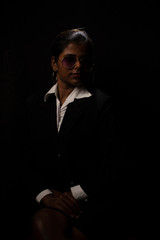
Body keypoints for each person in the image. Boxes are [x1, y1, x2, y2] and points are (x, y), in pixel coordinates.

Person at [12, 28, 127, 240]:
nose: (78, 67)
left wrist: (73, 194)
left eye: (85, 61)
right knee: (41, 223)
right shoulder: (34, 104)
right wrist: (45, 196)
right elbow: (22, 159)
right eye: (69, 60)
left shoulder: (102, 104)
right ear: (54, 63)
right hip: (46, 200)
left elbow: (116, 163)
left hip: (91, 201)